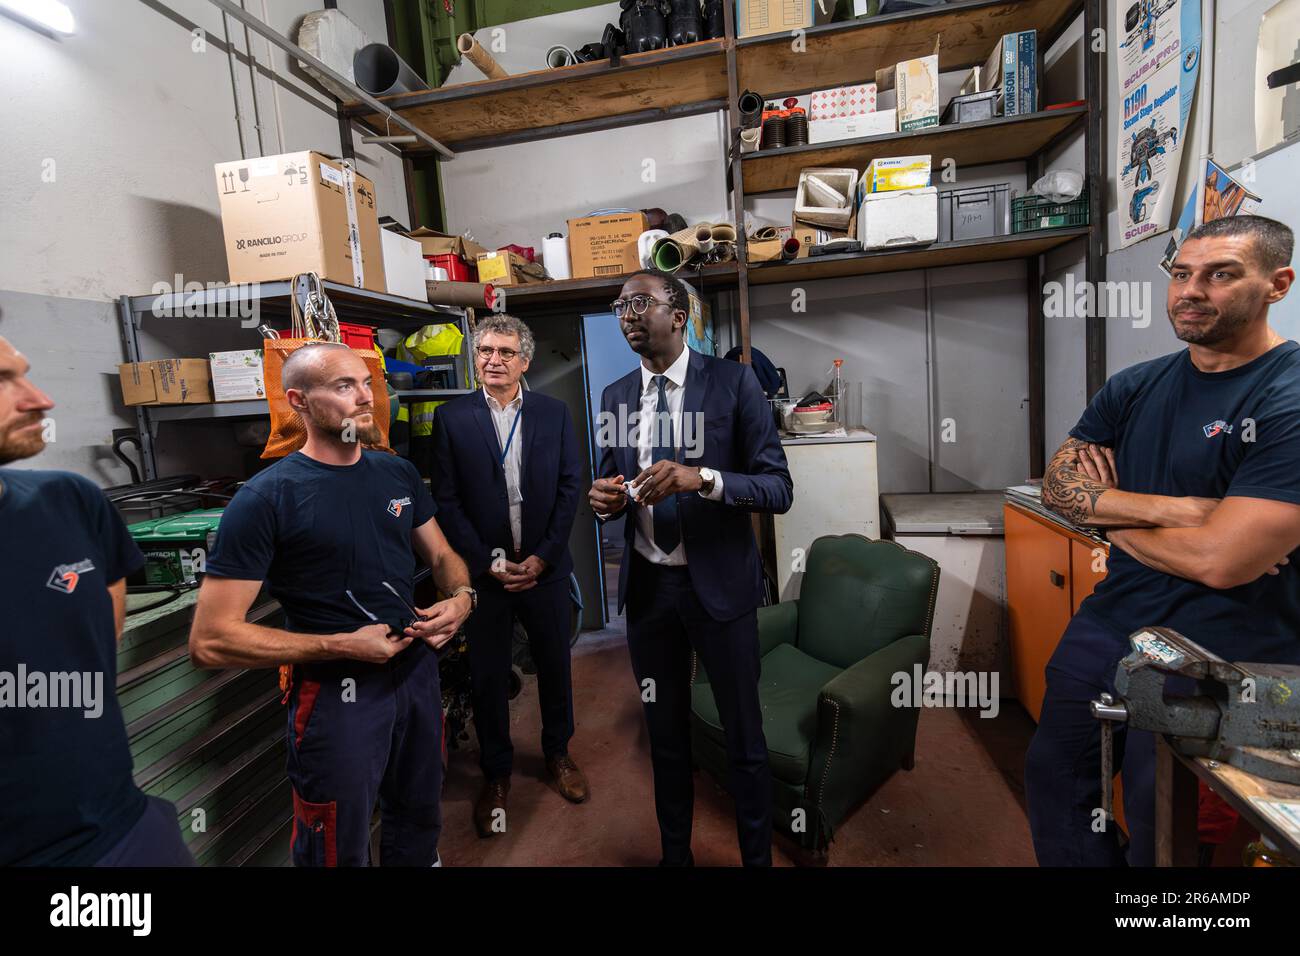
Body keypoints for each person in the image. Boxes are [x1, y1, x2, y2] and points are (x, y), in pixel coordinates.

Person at [1027, 215, 1300, 866]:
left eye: (1220, 274)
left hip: (1228, 656)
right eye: (1181, 274)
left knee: (1169, 831)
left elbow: (1222, 562)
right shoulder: (1134, 385)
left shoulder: (1286, 395)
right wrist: (1174, 511)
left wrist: (1108, 518)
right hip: (1110, 624)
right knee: (1057, 779)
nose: (1191, 290)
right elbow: (1058, 487)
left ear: (1278, 285)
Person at [190, 343, 474, 867]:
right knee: (334, 841)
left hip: (415, 675)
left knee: (418, 816)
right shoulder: (266, 498)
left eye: (366, 383)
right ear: (298, 400)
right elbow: (211, 638)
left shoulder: (397, 474)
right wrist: (341, 644)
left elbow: (442, 556)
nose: (365, 398)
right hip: (336, 695)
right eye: (344, 386)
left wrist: (462, 598)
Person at [589, 270, 793, 866]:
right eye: (620, 305)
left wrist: (700, 479)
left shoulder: (734, 384)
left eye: (640, 303)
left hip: (722, 590)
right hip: (651, 593)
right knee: (666, 737)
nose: (627, 314)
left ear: (678, 315)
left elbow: (777, 488)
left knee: (743, 740)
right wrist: (606, 500)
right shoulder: (615, 397)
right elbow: (610, 482)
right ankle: (675, 855)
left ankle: (756, 858)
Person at [0, 335, 193, 866]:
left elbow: (107, 593)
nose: (40, 399)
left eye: (22, 373)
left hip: (123, 827)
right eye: (2, 382)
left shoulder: (69, 499)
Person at [430, 315, 586, 838]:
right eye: (485, 351)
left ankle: (558, 754)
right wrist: (487, 563)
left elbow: (570, 489)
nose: (493, 359)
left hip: (543, 570)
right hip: (485, 575)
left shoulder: (554, 413)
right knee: (489, 676)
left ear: (525, 360)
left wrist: (543, 557)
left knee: (554, 666)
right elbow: (447, 501)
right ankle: (495, 773)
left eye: (504, 351)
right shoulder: (452, 418)